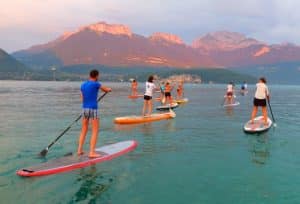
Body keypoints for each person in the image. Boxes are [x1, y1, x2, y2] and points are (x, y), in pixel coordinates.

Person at [77, 70, 112, 158]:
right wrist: (109, 89)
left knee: (84, 129)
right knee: (95, 130)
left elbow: (82, 99)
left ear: (89, 75)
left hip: (85, 108)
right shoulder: (96, 84)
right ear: (96, 76)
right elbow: (106, 89)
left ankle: (79, 150)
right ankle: (91, 152)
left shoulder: (83, 85)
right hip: (93, 109)